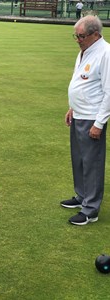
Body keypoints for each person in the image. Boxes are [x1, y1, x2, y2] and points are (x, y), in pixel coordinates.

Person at [60, 16, 110, 225]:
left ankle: (91, 209)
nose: (78, 40)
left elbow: (109, 91)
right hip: (79, 114)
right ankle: (81, 196)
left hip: (92, 117)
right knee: (79, 160)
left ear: (95, 34)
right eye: (76, 36)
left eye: (81, 36)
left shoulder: (106, 53)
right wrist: (72, 107)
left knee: (92, 163)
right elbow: (80, 80)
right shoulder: (85, 51)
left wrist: (99, 123)